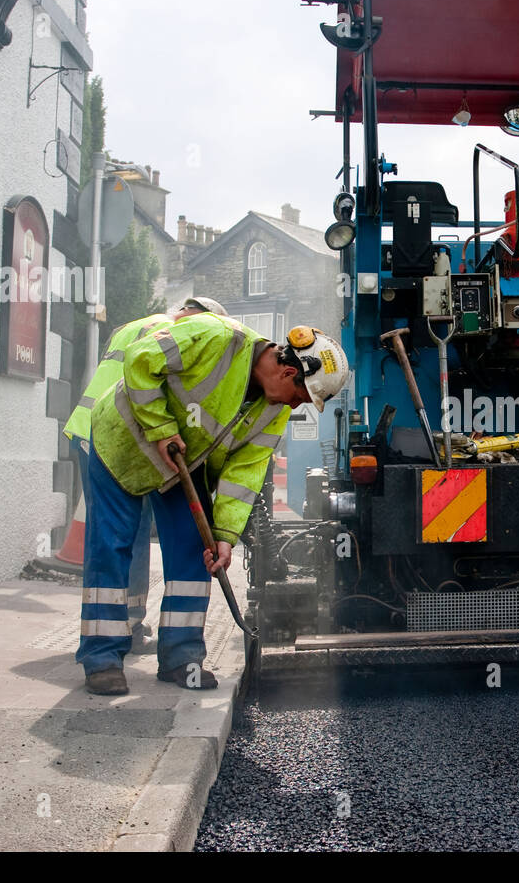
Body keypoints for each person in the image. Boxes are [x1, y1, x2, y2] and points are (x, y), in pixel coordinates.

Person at [79, 317, 349, 695]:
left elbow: (245, 472)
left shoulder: (275, 410)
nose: (295, 405)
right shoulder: (216, 337)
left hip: (179, 467)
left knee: (195, 550)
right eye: (300, 397)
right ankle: (102, 658)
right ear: (288, 372)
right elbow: (141, 358)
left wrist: (224, 535)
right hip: (121, 445)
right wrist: (159, 428)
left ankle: (181, 657)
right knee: (112, 547)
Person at [62, 297, 229, 653]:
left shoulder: (136, 324)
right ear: (197, 317)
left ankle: (129, 622)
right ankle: (122, 628)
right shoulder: (170, 331)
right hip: (119, 437)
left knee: (122, 533)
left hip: (92, 430)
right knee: (126, 532)